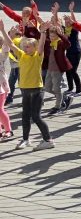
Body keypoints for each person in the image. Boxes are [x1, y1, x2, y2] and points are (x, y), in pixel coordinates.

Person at [2, 20, 53, 150]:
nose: (25, 48)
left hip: (37, 89)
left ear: (34, 48)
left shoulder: (38, 56)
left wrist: (42, 32)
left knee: (36, 116)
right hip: (25, 89)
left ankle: (48, 140)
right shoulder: (22, 55)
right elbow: (10, 44)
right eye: (25, 46)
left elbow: (41, 44)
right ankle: (25, 140)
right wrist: (3, 30)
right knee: (25, 115)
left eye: (28, 46)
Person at [0, 23, 13, 140]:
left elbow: (6, 47)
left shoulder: (1, 56)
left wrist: (5, 32)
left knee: (0, 109)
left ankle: (8, 130)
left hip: (1, 88)